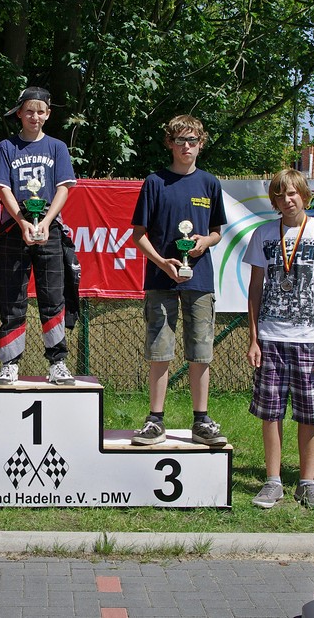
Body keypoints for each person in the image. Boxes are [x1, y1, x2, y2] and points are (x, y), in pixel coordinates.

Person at [244, 169, 314, 509]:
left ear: (305, 195)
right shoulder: (263, 234)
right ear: (273, 200)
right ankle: (273, 481)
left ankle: (307, 482)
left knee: (309, 414)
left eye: (294, 193)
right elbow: (255, 289)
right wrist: (254, 338)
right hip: (271, 337)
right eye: (281, 195)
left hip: (310, 338)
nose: (288, 200)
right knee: (271, 413)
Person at [129, 115, 228, 447]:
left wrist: (205, 243)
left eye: (194, 141)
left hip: (199, 280)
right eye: (181, 140)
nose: (188, 147)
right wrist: (162, 261)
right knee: (160, 350)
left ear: (201, 144)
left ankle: (201, 420)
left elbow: (217, 232)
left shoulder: (210, 183)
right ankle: (155, 420)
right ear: (169, 143)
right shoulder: (155, 182)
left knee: (201, 350)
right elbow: (138, 235)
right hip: (160, 279)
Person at [0, 87, 77, 386]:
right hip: (14, 230)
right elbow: (3, 188)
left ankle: (57, 362)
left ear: (48, 114)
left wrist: (46, 221)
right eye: (29, 111)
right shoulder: (7, 147)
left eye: (40, 111)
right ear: (19, 113)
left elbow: (64, 188)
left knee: (53, 296)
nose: (34, 116)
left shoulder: (57, 147)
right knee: (12, 297)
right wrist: (23, 222)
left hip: (50, 230)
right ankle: (10, 363)